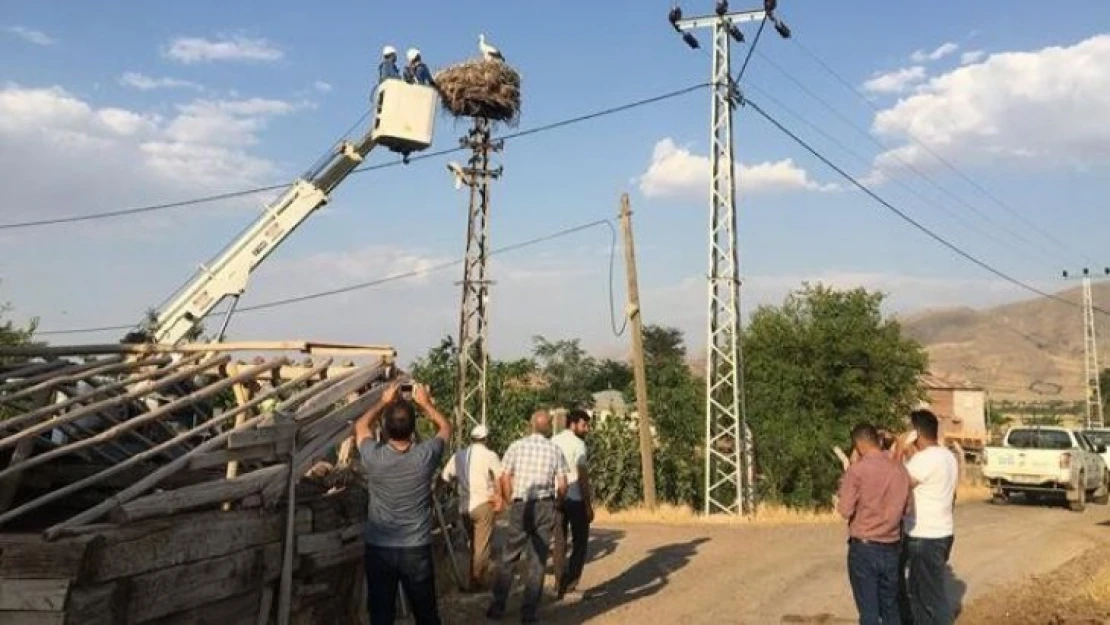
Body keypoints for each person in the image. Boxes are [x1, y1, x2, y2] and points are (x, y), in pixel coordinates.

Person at [353, 382, 452, 625]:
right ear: (412, 428)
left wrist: (383, 402)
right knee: (427, 615)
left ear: (384, 428)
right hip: (415, 549)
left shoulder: (374, 457)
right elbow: (446, 427)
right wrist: (425, 403)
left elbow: (361, 426)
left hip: (380, 549)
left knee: (381, 616)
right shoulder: (424, 456)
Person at [487, 410, 570, 624]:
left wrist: (509, 499)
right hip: (544, 505)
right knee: (538, 560)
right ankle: (529, 613)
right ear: (549, 427)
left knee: (509, 556)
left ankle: (498, 606)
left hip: (521, 504)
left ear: (531, 425)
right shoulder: (555, 450)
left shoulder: (516, 446)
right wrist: (557, 504)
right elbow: (562, 485)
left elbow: (504, 476)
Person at [837, 423, 913, 625]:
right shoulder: (900, 470)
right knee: (890, 607)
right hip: (892, 547)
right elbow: (908, 509)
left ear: (859, 444)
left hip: (864, 547)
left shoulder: (857, 471)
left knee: (869, 610)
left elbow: (844, 510)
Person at [900, 409, 959, 625]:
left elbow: (899, 485)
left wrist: (899, 450)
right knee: (920, 594)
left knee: (931, 597)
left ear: (916, 433)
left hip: (924, 537)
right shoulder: (947, 456)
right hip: (942, 532)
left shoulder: (924, 460)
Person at [441, 424, 504, 591]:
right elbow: (499, 478)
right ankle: (477, 581)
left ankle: (474, 575)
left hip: (464, 506)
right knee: (481, 546)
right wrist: (499, 497)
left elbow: (445, 477)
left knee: (474, 544)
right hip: (483, 503)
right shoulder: (490, 455)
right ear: (486, 439)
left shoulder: (459, 456)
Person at [551, 409, 594, 599]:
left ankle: (559, 583)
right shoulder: (579, 445)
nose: (587, 429)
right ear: (574, 424)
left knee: (559, 542)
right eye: (584, 425)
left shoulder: (553, 441)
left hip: (556, 497)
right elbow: (582, 476)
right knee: (580, 542)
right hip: (575, 499)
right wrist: (588, 504)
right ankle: (571, 583)